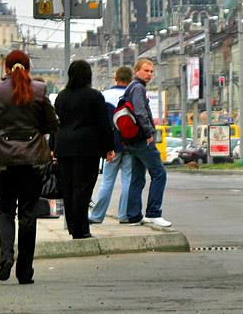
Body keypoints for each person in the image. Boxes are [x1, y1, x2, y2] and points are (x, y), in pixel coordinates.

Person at [0, 50, 59, 284]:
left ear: (6, 68)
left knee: (5, 211)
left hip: (4, 161)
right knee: (27, 214)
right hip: (33, 160)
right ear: (28, 68)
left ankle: (5, 257)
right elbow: (52, 124)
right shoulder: (40, 90)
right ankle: (24, 272)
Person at [52, 60, 115, 239]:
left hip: (64, 147)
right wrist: (109, 148)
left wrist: (53, 148)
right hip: (87, 148)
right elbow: (103, 124)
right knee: (83, 189)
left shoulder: (61, 97)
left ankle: (73, 227)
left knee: (68, 189)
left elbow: (55, 124)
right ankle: (82, 229)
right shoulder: (94, 96)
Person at [123, 59, 171, 227]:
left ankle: (134, 216)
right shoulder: (137, 88)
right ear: (136, 71)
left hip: (132, 140)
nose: (149, 74)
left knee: (137, 178)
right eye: (146, 71)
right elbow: (141, 112)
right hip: (142, 139)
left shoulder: (131, 87)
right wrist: (148, 132)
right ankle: (153, 213)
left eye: (151, 71)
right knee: (159, 173)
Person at [89, 66, 134, 224]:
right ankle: (125, 215)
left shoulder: (104, 95)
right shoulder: (133, 94)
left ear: (115, 78)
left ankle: (97, 216)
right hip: (130, 143)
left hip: (111, 145)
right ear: (131, 80)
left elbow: (100, 122)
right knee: (128, 180)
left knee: (107, 181)